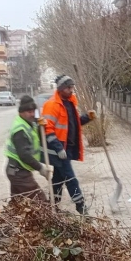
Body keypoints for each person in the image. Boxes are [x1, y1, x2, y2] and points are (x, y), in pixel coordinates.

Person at [41, 75, 97, 214]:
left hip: (68, 147)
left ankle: (52, 205)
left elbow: (74, 123)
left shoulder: (71, 102)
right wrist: (58, 148)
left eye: (72, 87)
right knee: (70, 177)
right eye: (68, 88)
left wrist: (87, 118)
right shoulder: (51, 105)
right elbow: (48, 129)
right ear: (60, 89)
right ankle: (81, 206)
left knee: (59, 178)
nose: (71, 90)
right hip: (57, 148)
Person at [4, 95, 53, 201]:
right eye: (28, 112)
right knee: (40, 202)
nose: (32, 114)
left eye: (33, 111)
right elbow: (24, 155)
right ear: (21, 112)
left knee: (17, 205)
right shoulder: (20, 129)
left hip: (18, 171)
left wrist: (41, 127)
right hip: (18, 172)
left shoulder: (30, 122)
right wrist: (41, 168)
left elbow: (37, 138)